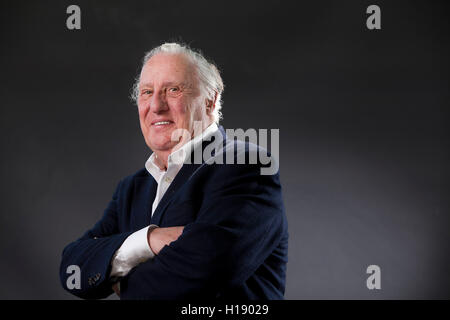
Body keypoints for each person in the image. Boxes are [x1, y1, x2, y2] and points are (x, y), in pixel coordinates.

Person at [59, 42, 288, 300]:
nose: (156, 106)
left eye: (173, 89)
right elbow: (73, 267)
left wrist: (121, 280)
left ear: (210, 100)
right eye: (147, 92)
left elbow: (207, 269)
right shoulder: (132, 188)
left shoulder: (247, 164)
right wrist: (148, 240)